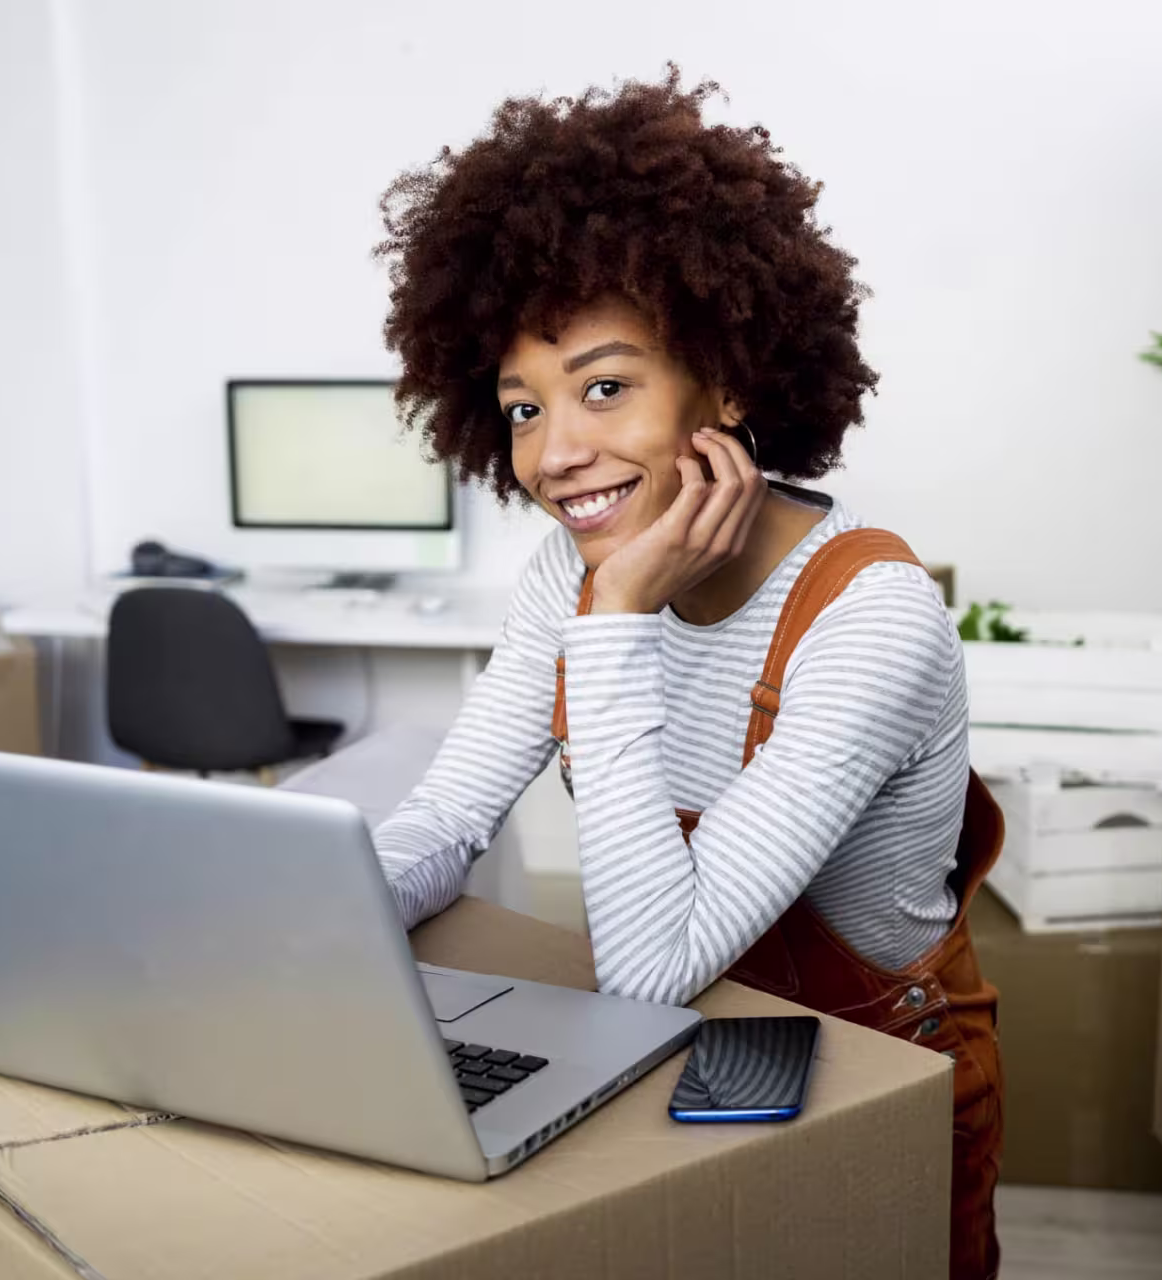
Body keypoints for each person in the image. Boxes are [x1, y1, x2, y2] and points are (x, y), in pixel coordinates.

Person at [372, 68, 1004, 1278]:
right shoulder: (565, 576)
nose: (555, 454)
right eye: (521, 408)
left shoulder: (869, 616)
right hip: (687, 1071)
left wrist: (617, 614)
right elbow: (448, 816)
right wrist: (322, 917)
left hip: (880, 1081)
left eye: (605, 388)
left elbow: (649, 966)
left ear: (726, 379)